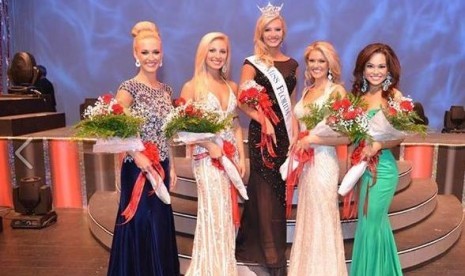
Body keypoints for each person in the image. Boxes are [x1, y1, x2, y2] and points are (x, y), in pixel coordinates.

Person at [107, 21, 180, 276]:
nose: (151, 58)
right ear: (135, 55)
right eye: (145, 52)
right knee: (139, 223)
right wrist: (136, 154)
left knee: (159, 225)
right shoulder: (128, 89)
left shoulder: (166, 90)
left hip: (161, 167)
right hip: (138, 170)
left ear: (162, 55)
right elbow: (116, 126)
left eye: (156, 52)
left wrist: (171, 166)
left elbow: (166, 132)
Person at [235, 3, 298, 275]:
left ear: (284, 32)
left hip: (284, 135)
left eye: (277, 29)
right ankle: (273, 260)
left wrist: (295, 136)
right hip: (263, 137)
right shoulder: (252, 63)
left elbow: (292, 106)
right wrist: (263, 120)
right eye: (268, 29)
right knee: (265, 193)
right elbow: (241, 101)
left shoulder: (293, 64)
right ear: (260, 33)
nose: (273, 34)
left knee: (279, 196)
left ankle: (270, 251)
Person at [180, 32, 245, 276]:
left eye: (222, 51)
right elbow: (181, 130)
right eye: (213, 50)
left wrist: (241, 156)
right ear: (203, 53)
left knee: (226, 216)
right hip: (206, 160)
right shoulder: (192, 86)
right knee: (213, 213)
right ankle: (209, 269)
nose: (217, 56)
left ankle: (223, 266)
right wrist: (209, 146)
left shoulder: (232, 86)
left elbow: (235, 124)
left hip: (229, 159)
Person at [288, 41, 348, 275]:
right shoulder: (306, 91)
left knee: (322, 218)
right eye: (312, 60)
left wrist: (313, 140)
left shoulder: (336, 92)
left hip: (323, 163)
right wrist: (298, 143)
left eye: (321, 61)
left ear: (330, 64)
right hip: (305, 165)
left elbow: (345, 137)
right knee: (308, 219)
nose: (316, 65)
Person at [350, 43, 404, 276]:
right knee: (368, 222)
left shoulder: (393, 97)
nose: (375, 71)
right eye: (370, 66)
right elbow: (353, 138)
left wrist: (378, 145)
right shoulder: (358, 98)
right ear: (362, 69)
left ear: (389, 69)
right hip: (362, 169)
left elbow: (399, 136)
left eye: (381, 66)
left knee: (372, 220)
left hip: (383, 169)